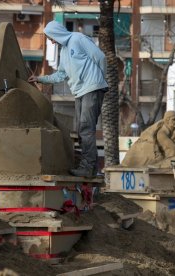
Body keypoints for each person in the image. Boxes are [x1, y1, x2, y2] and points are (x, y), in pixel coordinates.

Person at [28, 21, 108, 178]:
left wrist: (100, 79)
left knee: (86, 128)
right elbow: (60, 75)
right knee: (80, 129)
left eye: (51, 37)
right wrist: (39, 79)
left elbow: (100, 57)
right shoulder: (63, 52)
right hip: (80, 92)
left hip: (92, 88)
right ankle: (90, 168)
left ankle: (88, 167)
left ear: (57, 32)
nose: (51, 41)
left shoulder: (78, 39)